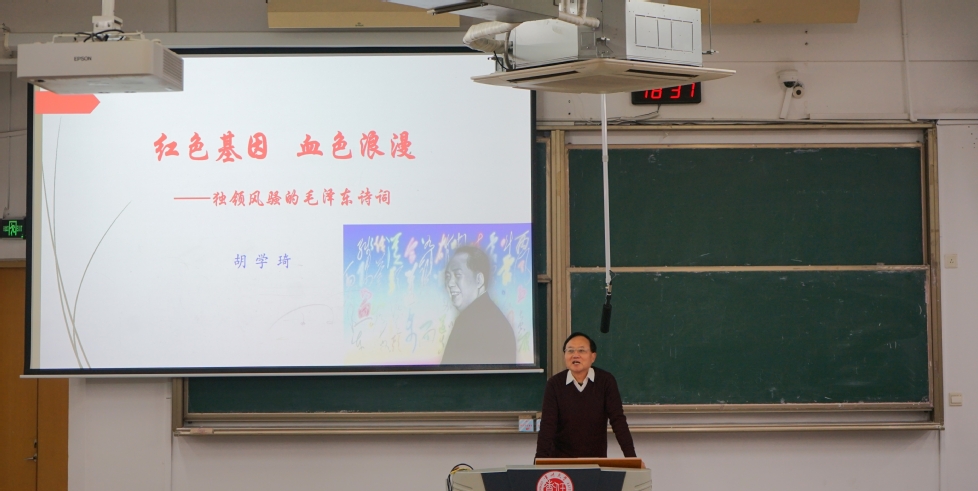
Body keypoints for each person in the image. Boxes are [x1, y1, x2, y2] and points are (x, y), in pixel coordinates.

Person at [535, 332, 636, 459]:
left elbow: (618, 421)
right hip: (560, 461)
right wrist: (539, 462)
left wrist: (632, 458)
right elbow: (547, 425)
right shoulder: (555, 384)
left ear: (593, 356)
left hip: (596, 460)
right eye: (570, 351)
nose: (575, 355)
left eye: (581, 350)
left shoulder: (605, 381)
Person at [440, 245, 517, 365]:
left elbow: (448, 374)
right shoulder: (495, 318)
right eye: (448, 276)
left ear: (479, 280)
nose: (450, 283)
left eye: (457, 275)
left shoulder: (468, 321)